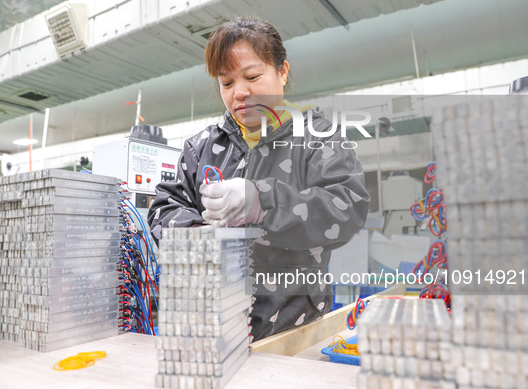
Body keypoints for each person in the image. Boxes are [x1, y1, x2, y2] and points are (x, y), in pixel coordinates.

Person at [148, 17, 370, 341]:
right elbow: (163, 208)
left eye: (252, 76)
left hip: (293, 330)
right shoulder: (201, 147)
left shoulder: (318, 138)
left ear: (282, 71)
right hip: (213, 331)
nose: (239, 92)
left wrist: (263, 203)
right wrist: (197, 233)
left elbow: (348, 208)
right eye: (226, 83)